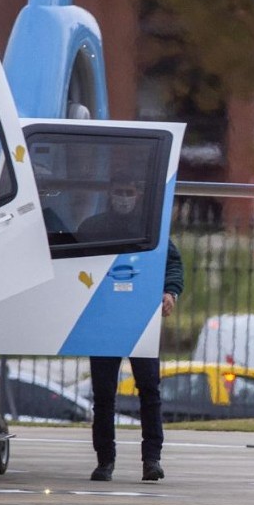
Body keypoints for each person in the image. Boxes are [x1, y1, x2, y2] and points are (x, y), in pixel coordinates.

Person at [79, 174, 184, 482]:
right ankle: (105, 461)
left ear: (138, 194)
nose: (123, 197)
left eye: (128, 190)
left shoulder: (152, 229)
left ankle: (152, 459)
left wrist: (170, 291)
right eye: (118, 191)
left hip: (141, 320)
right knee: (103, 395)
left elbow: (173, 264)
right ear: (109, 193)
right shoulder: (93, 228)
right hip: (104, 322)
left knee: (150, 390)